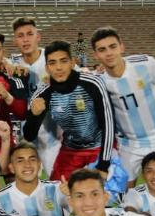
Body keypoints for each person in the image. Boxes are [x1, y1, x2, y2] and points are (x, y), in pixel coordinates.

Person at [92, 27, 155, 182]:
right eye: (102, 49)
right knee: (123, 195)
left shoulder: (145, 64)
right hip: (129, 144)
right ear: (96, 55)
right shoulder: (98, 81)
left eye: (113, 47)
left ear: (122, 47)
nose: (108, 53)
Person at [23, 41, 114, 181]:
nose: (58, 67)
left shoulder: (93, 83)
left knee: (105, 196)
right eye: (52, 63)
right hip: (71, 151)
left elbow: (108, 124)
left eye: (63, 61)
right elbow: (29, 135)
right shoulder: (43, 94)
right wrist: (34, 116)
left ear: (72, 63)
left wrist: (103, 166)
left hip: (100, 147)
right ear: (47, 68)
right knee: (56, 194)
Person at [8, 16, 61, 173]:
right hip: (27, 139)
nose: (25, 39)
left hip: (55, 137)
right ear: (15, 41)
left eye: (30, 34)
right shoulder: (12, 66)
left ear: (38, 37)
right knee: (28, 188)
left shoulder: (53, 59)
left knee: (60, 186)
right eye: (20, 36)